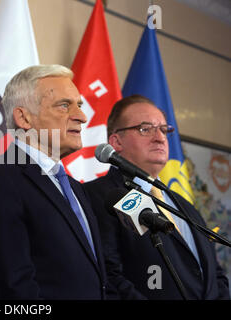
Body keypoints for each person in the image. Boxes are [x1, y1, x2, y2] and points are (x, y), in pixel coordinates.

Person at [0, 65, 108, 299]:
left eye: (78, 105)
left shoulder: (75, 188)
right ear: (24, 117)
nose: (81, 116)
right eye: (64, 105)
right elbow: (11, 289)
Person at [84, 94, 230, 300]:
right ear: (116, 141)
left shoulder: (185, 206)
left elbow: (215, 274)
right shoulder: (99, 196)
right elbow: (110, 276)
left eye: (164, 130)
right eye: (145, 129)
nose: (160, 137)